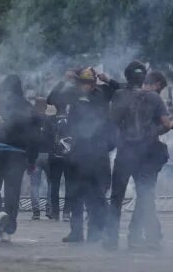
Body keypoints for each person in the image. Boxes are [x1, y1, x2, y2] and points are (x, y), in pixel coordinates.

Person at [106, 65, 173, 250]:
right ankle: (134, 238)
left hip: (124, 153)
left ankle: (110, 240)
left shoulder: (119, 95)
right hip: (145, 155)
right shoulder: (154, 97)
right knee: (144, 197)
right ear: (144, 77)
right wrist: (154, 130)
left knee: (116, 198)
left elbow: (112, 121)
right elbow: (167, 124)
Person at [49, 68, 116, 243]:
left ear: (94, 83)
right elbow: (52, 99)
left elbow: (121, 90)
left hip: (98, 153)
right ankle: (76, 232)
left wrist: (108, 79)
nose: (86, 86)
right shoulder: (71, 94)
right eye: (83, 82)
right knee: (74, 194)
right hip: (76, 153)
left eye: (89, 82)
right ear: (78, 82)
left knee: (97, 194)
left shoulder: (103, 93)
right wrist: (63, 81)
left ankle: (96, 231)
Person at [0, 75, 39, 244]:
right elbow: (34, 137)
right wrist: (32, 159)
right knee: (12, 192)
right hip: (19, 154)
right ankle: (7, 232)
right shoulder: (28, 108)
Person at [26, 98, 51, 220]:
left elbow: (28, 140)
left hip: (35, 156)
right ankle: (50, 210)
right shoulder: (50, 120)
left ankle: (36, 212)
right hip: (48, 155)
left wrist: (28, 159)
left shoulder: (31, 121)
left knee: (35, 184)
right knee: (51, 183)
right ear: (46, 107)